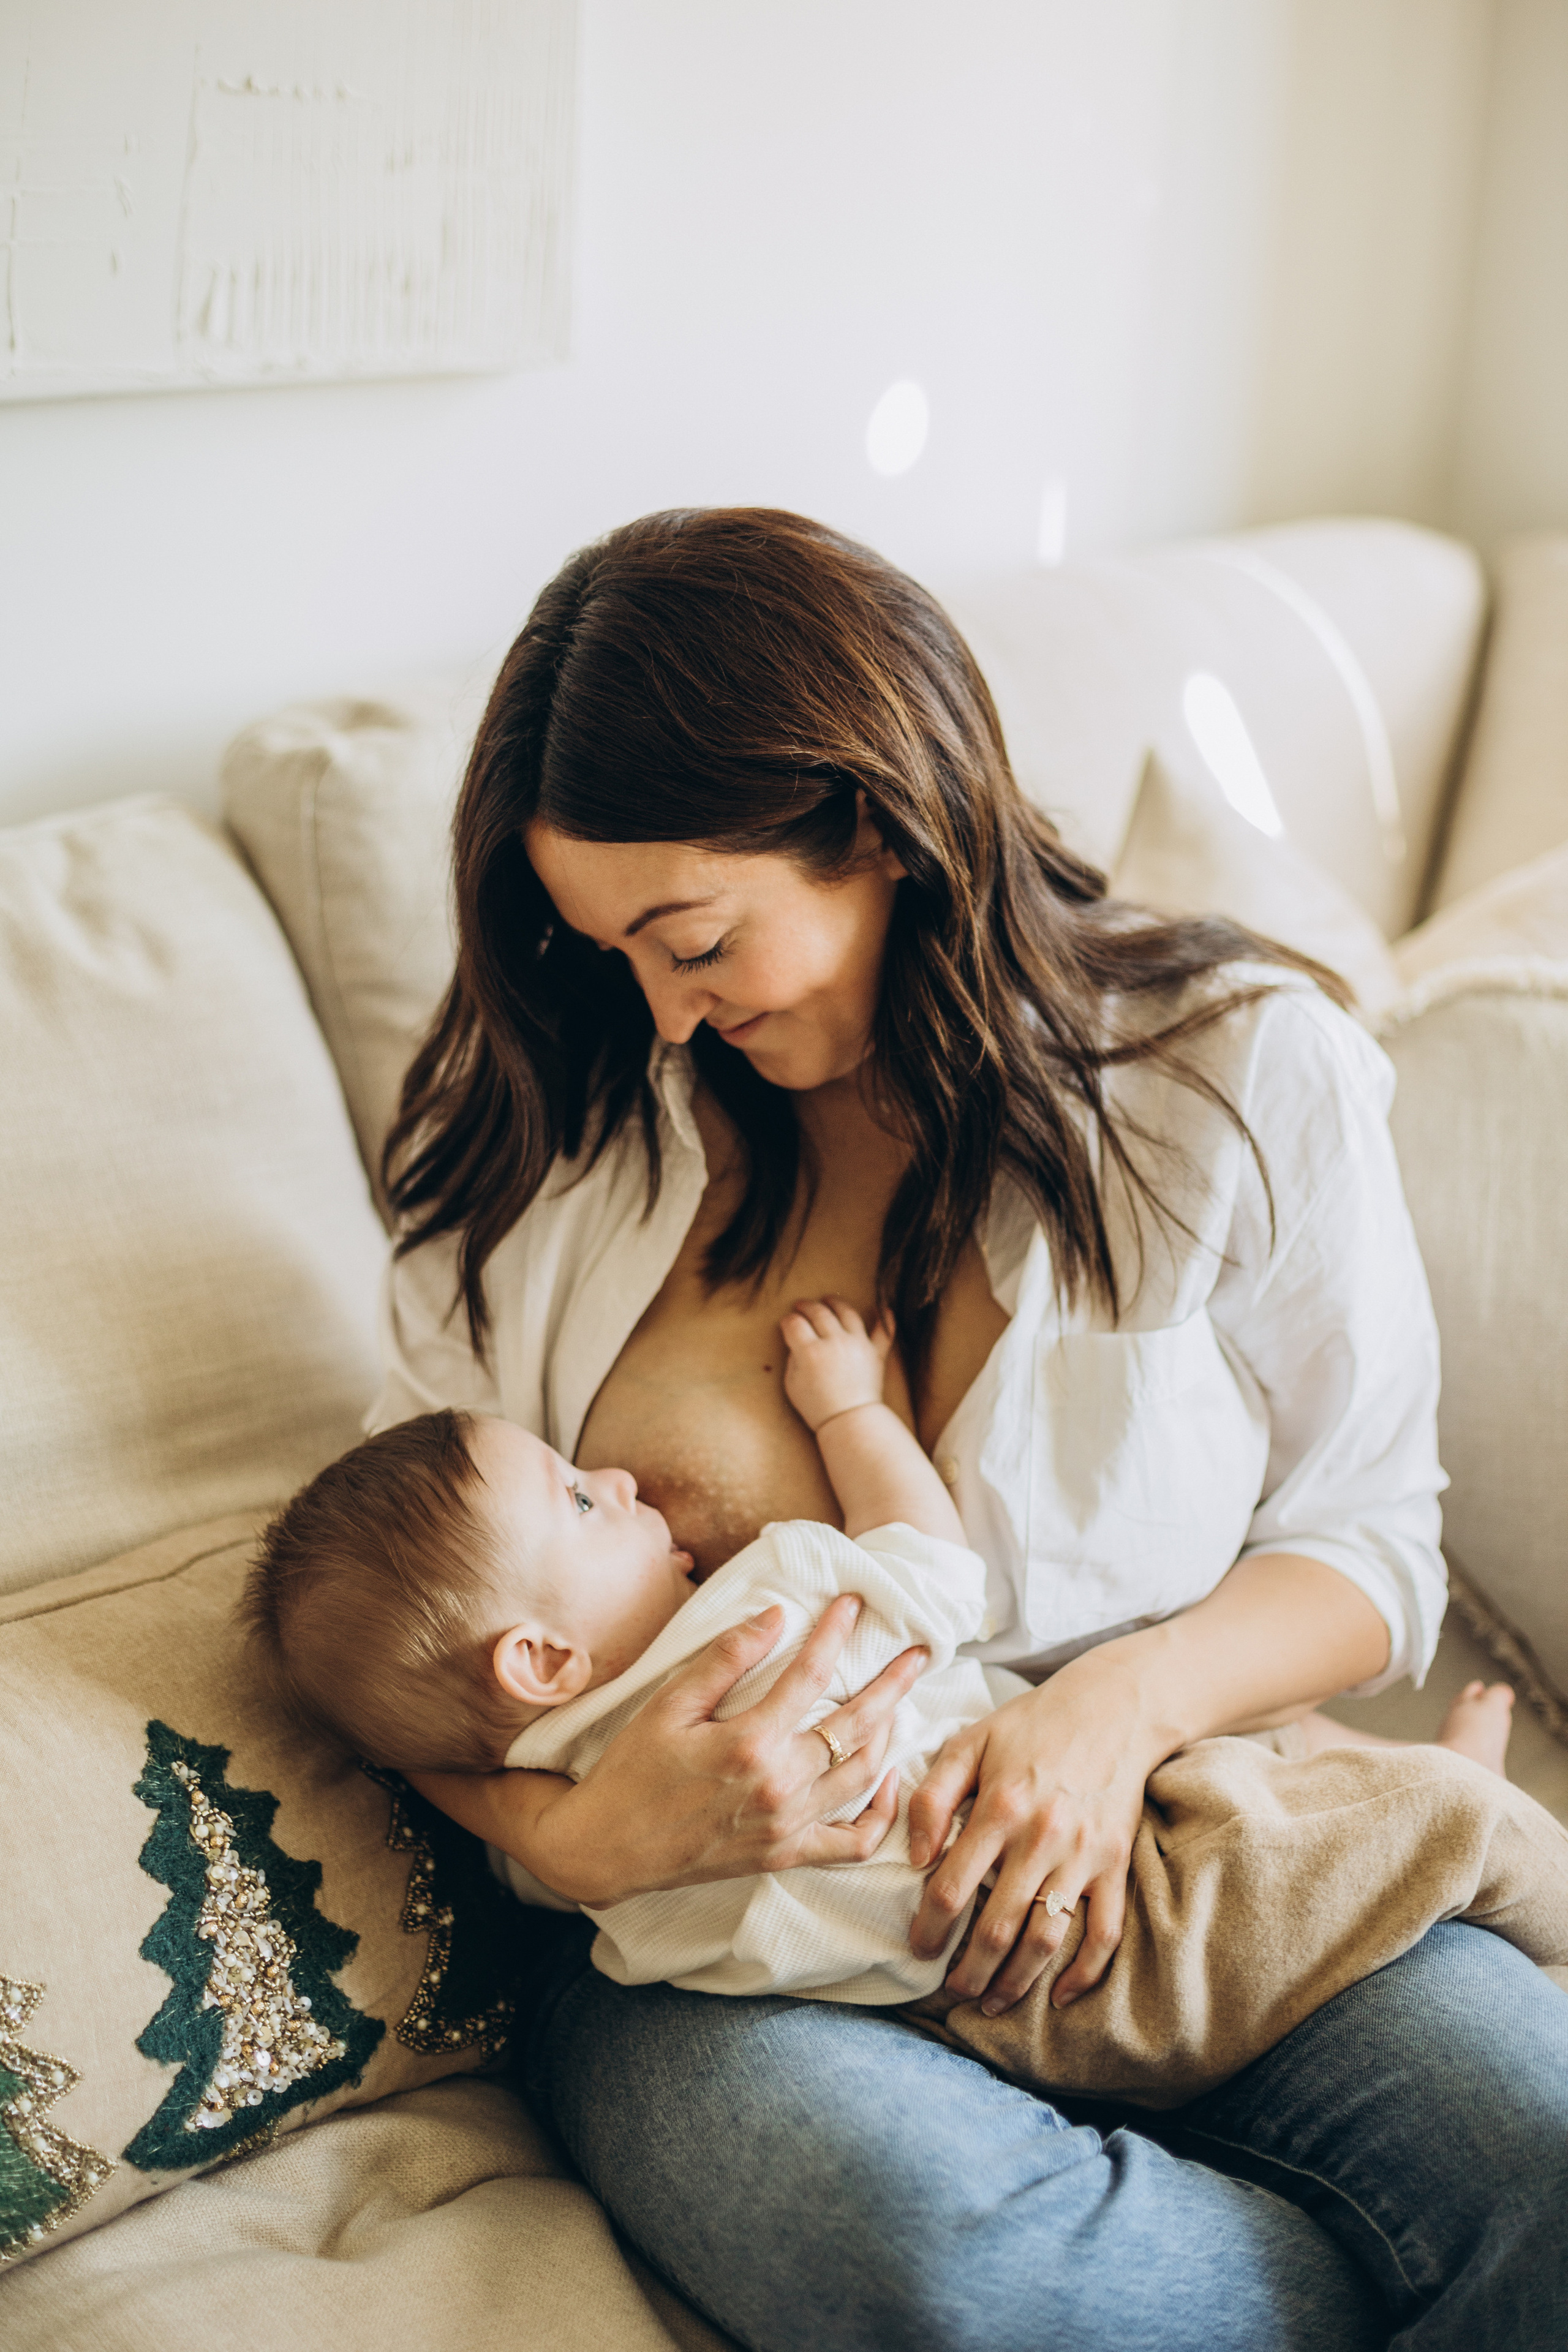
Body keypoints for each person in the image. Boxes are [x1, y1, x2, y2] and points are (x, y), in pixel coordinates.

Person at [366, 507, 1568, 2349]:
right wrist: (578, 1842)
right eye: (612, 952)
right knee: (945, 2265)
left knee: (1543, 2142)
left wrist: (1116, 1710)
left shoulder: (1237, 1074)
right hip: (728, 1946)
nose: (664, 1016)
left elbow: (1372, 1543)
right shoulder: (575, 1155)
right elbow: (390, 1634)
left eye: (690, 938)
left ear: (873, 822)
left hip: (1188, 1862)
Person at [246, 1300, 1568, 2106]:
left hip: (981, 2027)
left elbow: (438, 1751)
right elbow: (929, 1554)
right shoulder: (769, 1606)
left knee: (1268, 1774)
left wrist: (543, 1830)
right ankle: (1492, 1827)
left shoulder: (552, 1846)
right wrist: (848, 1411)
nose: (618, 1478)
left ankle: (1328, 1758)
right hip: (1116, 1922)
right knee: (1445, 1818)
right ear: (537, 1660)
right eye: (582, 1502)